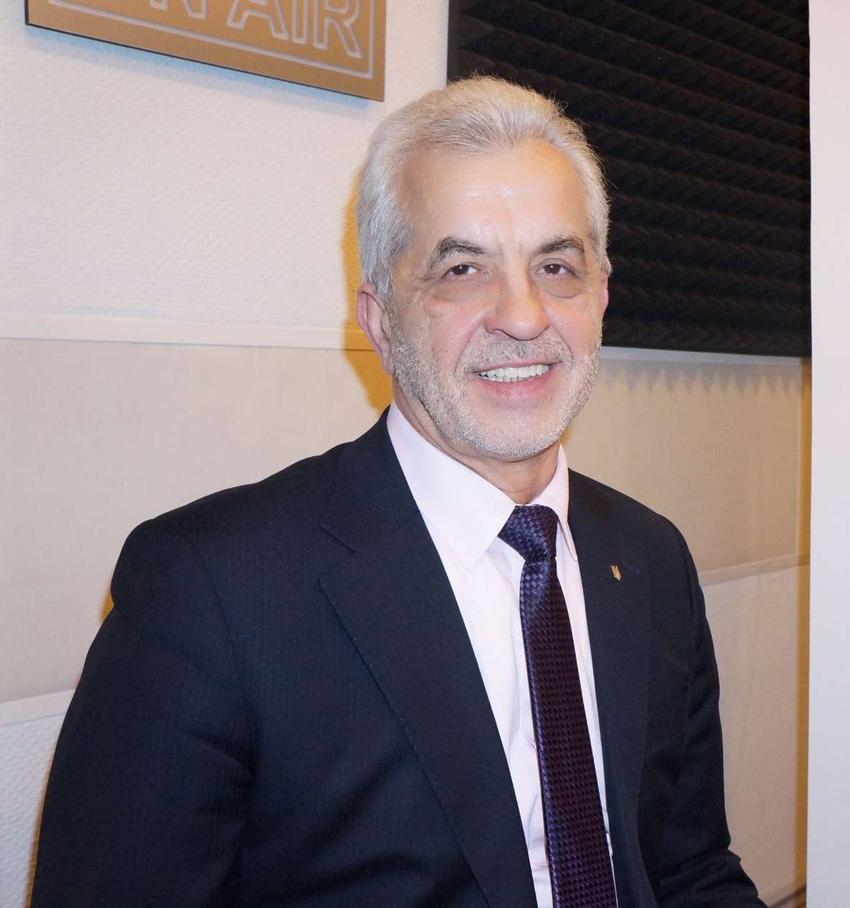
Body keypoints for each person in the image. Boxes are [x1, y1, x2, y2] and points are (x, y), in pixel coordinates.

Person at [33, 76, 763, 908]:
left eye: (556, 266)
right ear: (380, 319)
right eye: (462, 268)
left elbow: (691, 870)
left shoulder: (653, 558)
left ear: (600, 294)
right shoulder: (211, 593)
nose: (524, 315)